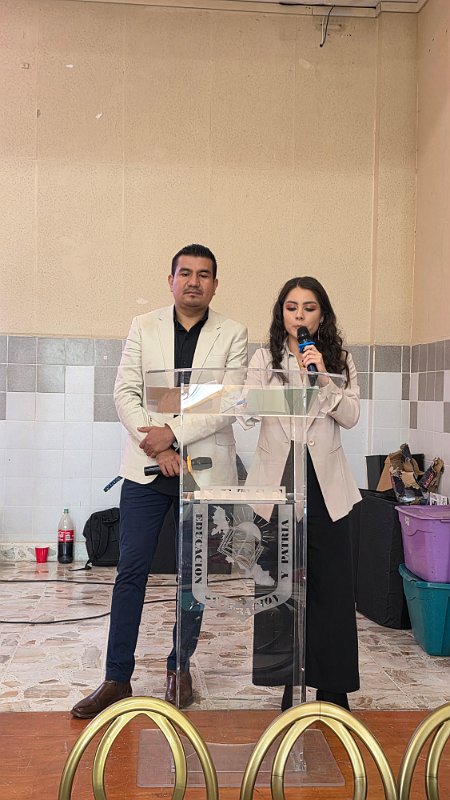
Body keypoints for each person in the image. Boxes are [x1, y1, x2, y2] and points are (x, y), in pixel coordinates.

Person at [71, 244, 248, 718]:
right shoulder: (144, 326)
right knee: (130, 572)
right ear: (171, 281)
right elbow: (125, 392)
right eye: (185, 273)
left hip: (204, 472)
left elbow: (228, 399)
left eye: (204, 275)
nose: (194, 282)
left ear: (215, 284)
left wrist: (173, 433)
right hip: (146, 468)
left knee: (194, 576)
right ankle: (116, 677)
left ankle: (179, 667)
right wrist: (160, 445)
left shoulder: (233, 333)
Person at [242, 276, 361, 711]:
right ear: (282, 314)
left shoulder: (339, 359)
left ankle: (333, 687)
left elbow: (351, 415)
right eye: (291, 307)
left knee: (331, 586)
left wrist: (323, 377)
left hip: (326, 482)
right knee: (279, 586)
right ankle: (288, 681)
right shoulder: (264, 358)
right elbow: (247, 411)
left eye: (309, 308)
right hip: (277, 480)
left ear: (321, 315)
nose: (299, 315)